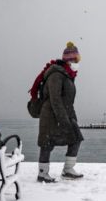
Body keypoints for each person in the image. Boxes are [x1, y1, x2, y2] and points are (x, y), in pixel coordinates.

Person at [36, 41, 85, 182]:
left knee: (76, 138)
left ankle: (68, 169)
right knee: (47, 143)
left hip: (64, 113)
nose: (78, 63)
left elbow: (68, 100)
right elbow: (55, 99)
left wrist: (73, 118)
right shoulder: (56, 74)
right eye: (76, 60)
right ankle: (42, 173)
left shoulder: (68, 75)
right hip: (50, 115)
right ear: (70, 60)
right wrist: (63, 120)